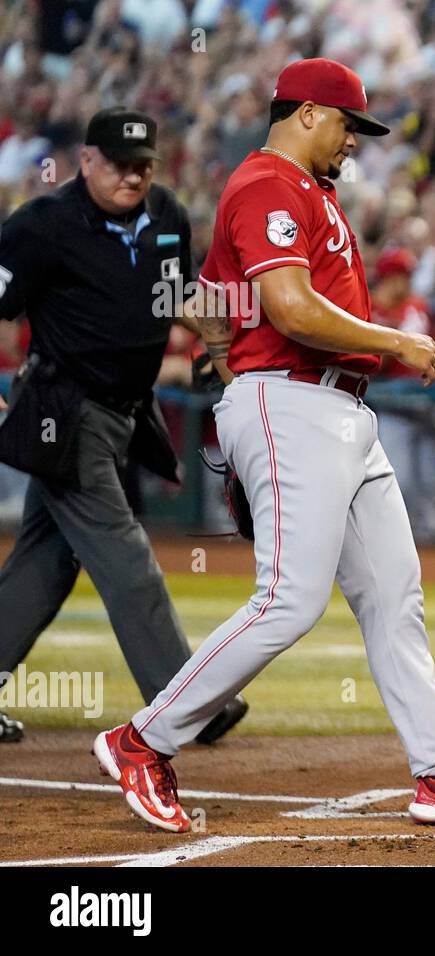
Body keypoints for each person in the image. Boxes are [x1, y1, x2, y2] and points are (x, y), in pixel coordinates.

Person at [91, 60, 435, 833]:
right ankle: (143, 740)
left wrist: (224, 354)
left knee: (394, 595)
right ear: (304, 113)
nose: (352, 142)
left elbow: (212, 301)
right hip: (293, 400)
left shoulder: (303, 190)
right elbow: (293, 310)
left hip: (331, 410)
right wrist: (392, 340)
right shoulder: (269, 182)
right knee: (287, 600)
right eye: (346, 125)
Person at [0, 108, 246, 745]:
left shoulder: (165, 214)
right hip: (63, 412)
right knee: (126, 556)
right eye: (117, 163)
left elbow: (179, 298)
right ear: (86, 160)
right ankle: (188, 704)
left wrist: (227, 355)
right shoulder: (41, 226)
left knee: (46, 563)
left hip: (127, 411)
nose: (131, 177)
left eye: (143, 165)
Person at [369, 247, 435, 540]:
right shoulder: (367, 308)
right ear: (387, 277)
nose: (406, 282)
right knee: (397, 478)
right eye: (401, 275)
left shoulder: (418, 305)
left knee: (431, 480)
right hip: (389, 404)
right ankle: (394, 539)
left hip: (427, 400)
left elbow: (433, 349)